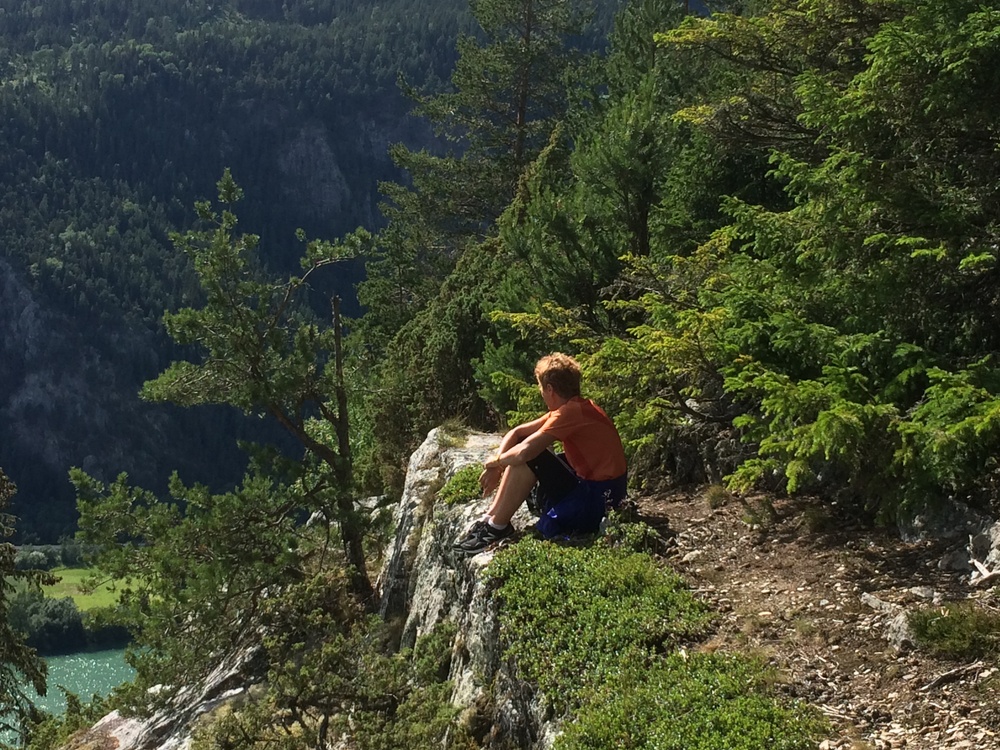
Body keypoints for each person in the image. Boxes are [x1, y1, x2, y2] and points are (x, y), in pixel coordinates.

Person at [453, 353, 627, 554]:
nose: (541, 393)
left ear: (550, 389)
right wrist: (498, 466)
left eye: (541, 388)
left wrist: (494, 462)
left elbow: (525, 452)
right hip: (598, 490)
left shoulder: (570, 413)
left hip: (599, 501)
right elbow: (517, 433)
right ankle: (491, 519)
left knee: (532, 455)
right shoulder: (574, 408)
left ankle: (497, 527)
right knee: (527, 449)